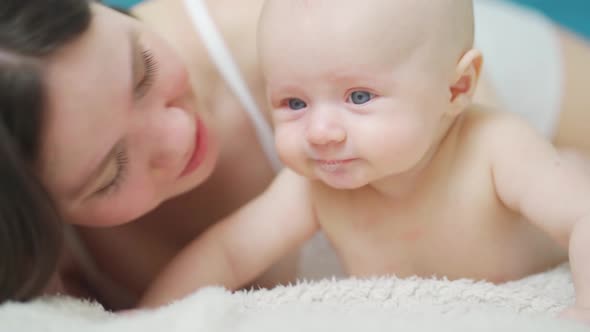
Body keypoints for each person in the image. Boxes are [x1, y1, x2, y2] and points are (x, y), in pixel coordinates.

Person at [1, 0, 590, 311]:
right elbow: (228, 253)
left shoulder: (488, 135)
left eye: (143, 70)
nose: (178, 134)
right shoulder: (312, 184)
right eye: (112, 171)